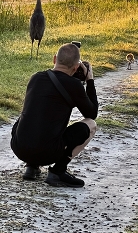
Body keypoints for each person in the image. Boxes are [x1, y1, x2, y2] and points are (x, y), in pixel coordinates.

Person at [10, 43, 98, 188]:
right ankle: (58, 171)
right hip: (48, 153)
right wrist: (90, 81)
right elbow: (92, 114)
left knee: (32, 114)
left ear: (54, 59)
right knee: (91, 125)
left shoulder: (36, 78)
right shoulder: (74, 85)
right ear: (76, 68)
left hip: (19, 147)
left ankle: (31, 166)